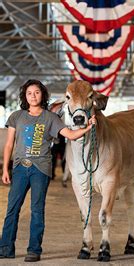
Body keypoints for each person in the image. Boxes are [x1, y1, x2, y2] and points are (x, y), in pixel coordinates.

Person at [0, 79, 96, 262]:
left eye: (36, 92)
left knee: (37, 210)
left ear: (42, 94)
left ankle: (34, 250)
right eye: (29, 93)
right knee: (12, 209)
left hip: (41, 170)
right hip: (20, 168)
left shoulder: (52, 118)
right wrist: (6, 168)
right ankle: (5, 248)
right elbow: (9, 145)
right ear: (25, 96)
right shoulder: (16, 116)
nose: (33, 96)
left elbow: (71, 135)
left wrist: (88, 127)